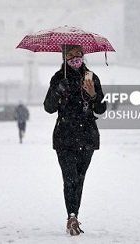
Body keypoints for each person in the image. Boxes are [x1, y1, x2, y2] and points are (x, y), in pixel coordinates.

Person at [44, 44, 106, 236]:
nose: (75, 60)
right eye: (70, 56)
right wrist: (58, 91)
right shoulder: (58, 78)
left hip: (87, 136)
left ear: (83, 56)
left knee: (79, 179)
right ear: (64, 58)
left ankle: (74, 214)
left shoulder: (91, 78)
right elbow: (48, 107)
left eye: (78, 56)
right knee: (69, 178)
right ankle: (72, 215)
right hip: (65, 136)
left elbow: (101, 110)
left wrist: (94, 95)